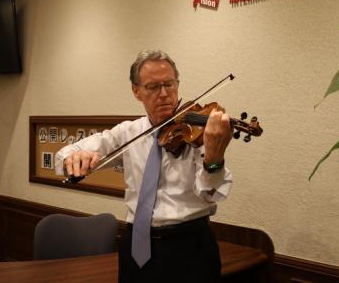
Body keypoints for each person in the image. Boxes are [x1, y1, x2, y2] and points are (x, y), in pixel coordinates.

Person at [55, 50, 233, 282]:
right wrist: (72, 158)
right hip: (136, 247)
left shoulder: (200, 132)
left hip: (190, 247)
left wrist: (214, 156)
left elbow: (209, 194)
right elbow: (66, 154)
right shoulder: (128, 132)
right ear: (136, 91)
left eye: (169, 84)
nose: (164, 94)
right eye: (153, 87)